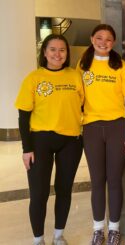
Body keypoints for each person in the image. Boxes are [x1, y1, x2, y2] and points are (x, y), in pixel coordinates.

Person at [15, 34, 84, 245]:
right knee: (39, 193)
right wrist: (26, 149)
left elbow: (83, 106)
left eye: (62, 50)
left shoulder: (75, 76)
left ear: (67, 54)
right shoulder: (34, 78)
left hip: (71, 140)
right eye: (52, 49)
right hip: (40, 140)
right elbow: (23, 115)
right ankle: (38, 239)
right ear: (44, 52)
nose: (57, 54)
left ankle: (58, 235)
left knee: (64, 190)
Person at [76, 24, 125, 245]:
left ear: (114, 42)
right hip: (91, 127)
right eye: (99, 37)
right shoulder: (82, 65)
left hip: (117, 125)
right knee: (97, 180)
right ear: (91, 38)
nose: (103, 42)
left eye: (108, 39)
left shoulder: (121, 66)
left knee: (114, 180)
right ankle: (98, 229)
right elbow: (77, 99)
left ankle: (114, 229)